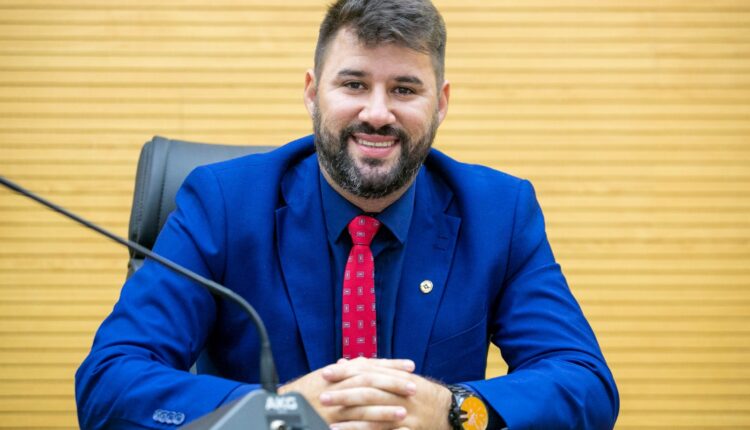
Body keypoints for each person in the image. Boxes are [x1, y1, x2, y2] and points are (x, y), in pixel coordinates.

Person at [75, 0, 619, 429]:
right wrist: (277, 413)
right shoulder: (222, 204)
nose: (377, 113)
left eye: (404, 89)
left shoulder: (497, 212)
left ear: (441, 104)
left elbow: (584, 382)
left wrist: (452, 409)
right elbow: (109, 382)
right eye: (354, 84)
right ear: (313, 93)